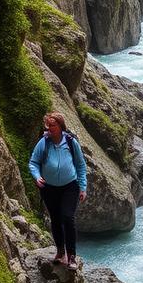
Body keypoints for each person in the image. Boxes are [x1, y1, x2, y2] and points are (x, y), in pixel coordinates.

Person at [28, 112, 88, 270]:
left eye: (52, 125)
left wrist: (82, 187)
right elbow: (33, 162)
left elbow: (81, 166)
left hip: (70, 186)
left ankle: (72, 256)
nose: (49, 129)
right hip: (49, 188)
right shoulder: (44, 142)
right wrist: (37, 176)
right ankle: (60, 252)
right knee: (55, 219)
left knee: (68, 217)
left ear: (61, 126)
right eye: (48, 125)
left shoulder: (70, 142)